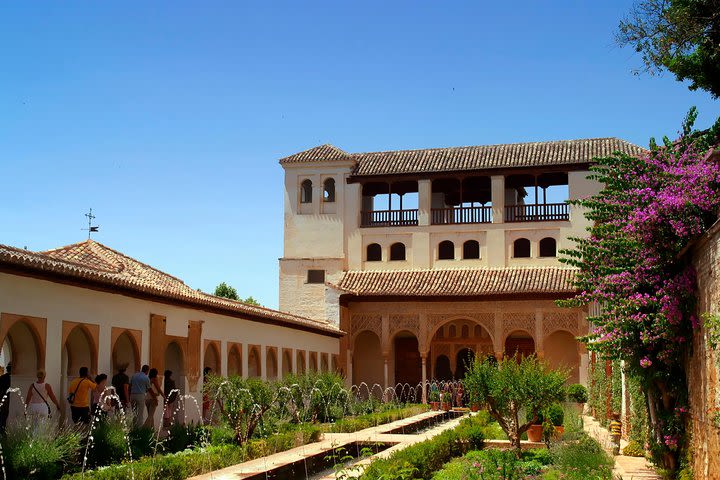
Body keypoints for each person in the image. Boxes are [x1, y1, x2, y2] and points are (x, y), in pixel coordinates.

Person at [0, 363, 10, 433]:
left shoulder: (2, 378)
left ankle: (2, 430)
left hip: (3, 399)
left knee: (3, 416)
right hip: (8, 399)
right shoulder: (12, 378)